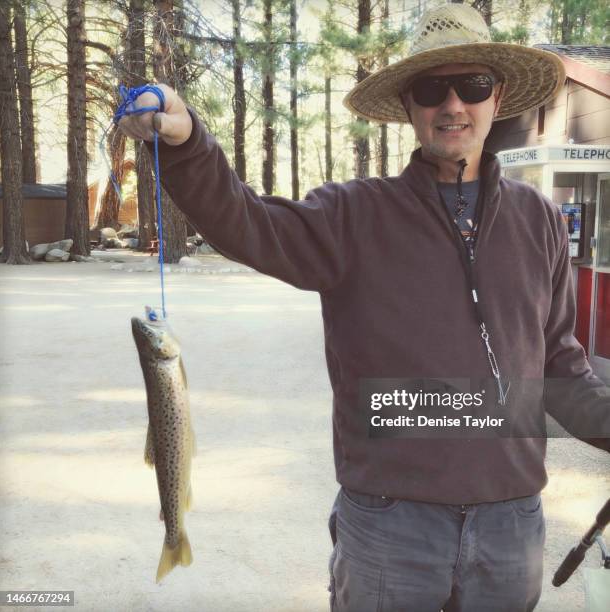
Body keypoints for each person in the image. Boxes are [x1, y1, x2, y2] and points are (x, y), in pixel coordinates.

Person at [118, 4, 609, 611]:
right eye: (431, 89)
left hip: (511, 527)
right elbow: (245, 223)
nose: (452, 104)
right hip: (389, 528)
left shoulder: (539, 222)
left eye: (472, 85)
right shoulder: (352, 216)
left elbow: (562, 369)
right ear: (409, 106)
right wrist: (190, 143)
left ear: (496, 96)